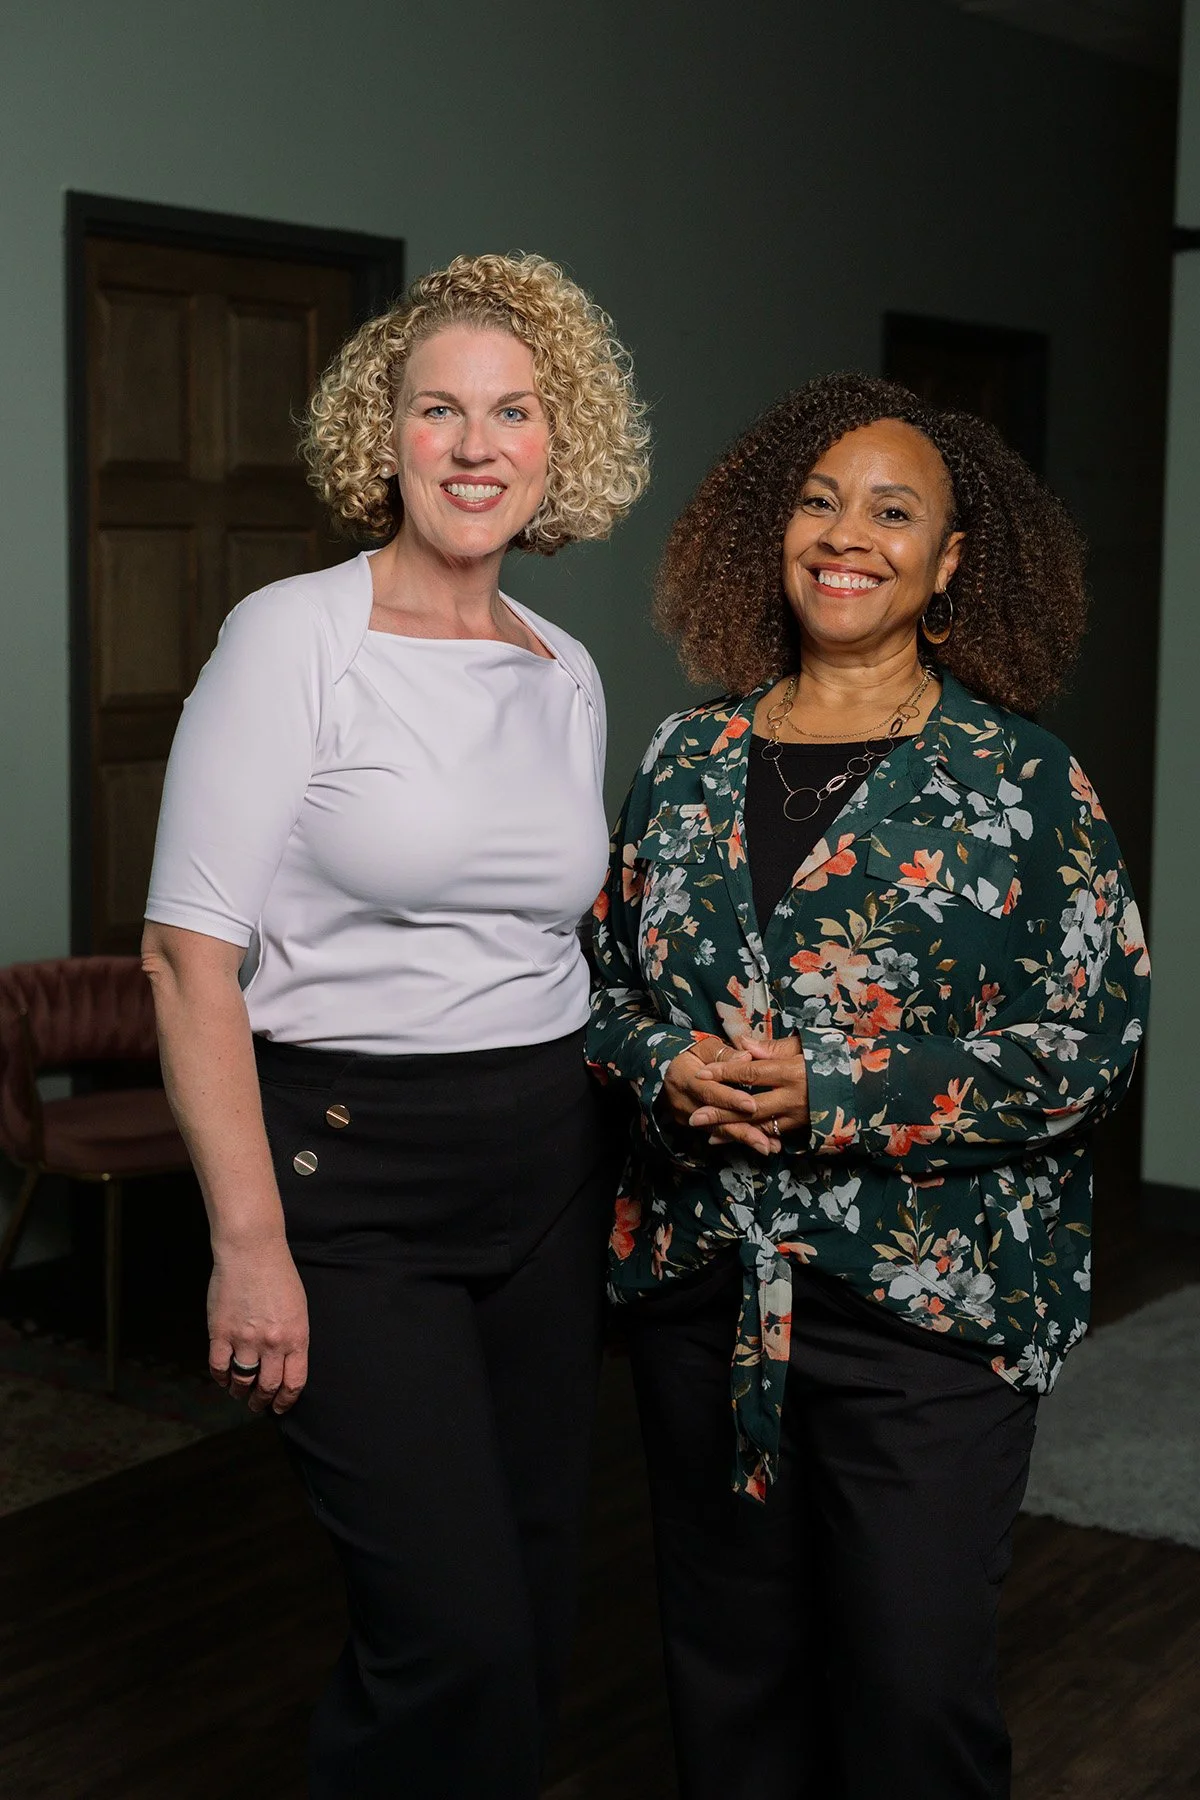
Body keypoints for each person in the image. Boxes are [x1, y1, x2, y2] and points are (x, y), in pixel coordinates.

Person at [587, 373, 1150, 1800]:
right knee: (730, 1685)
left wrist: (833, 1093)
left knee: (912, 1701)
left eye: (895, 512)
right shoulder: (685, 759)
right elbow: (593, 986)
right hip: (704, 1293)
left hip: (930, 1314)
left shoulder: (1023, 784)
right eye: (822, 502)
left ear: (950, 562)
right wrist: (667, 1070)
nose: (850, 535)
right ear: (773, 532)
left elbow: (1089, 1046)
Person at [142, 252, 649, 1800]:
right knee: (451, 1632)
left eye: (513, 411)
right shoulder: (294, 636)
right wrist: (248, 1240)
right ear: (389, 435)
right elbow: (183, 958)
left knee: (538, 1601)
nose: (477, 443)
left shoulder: (566, 670)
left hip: (552, 1175)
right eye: (441, 409)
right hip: (350, 1188)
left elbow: (557, 938)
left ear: (564, 447)